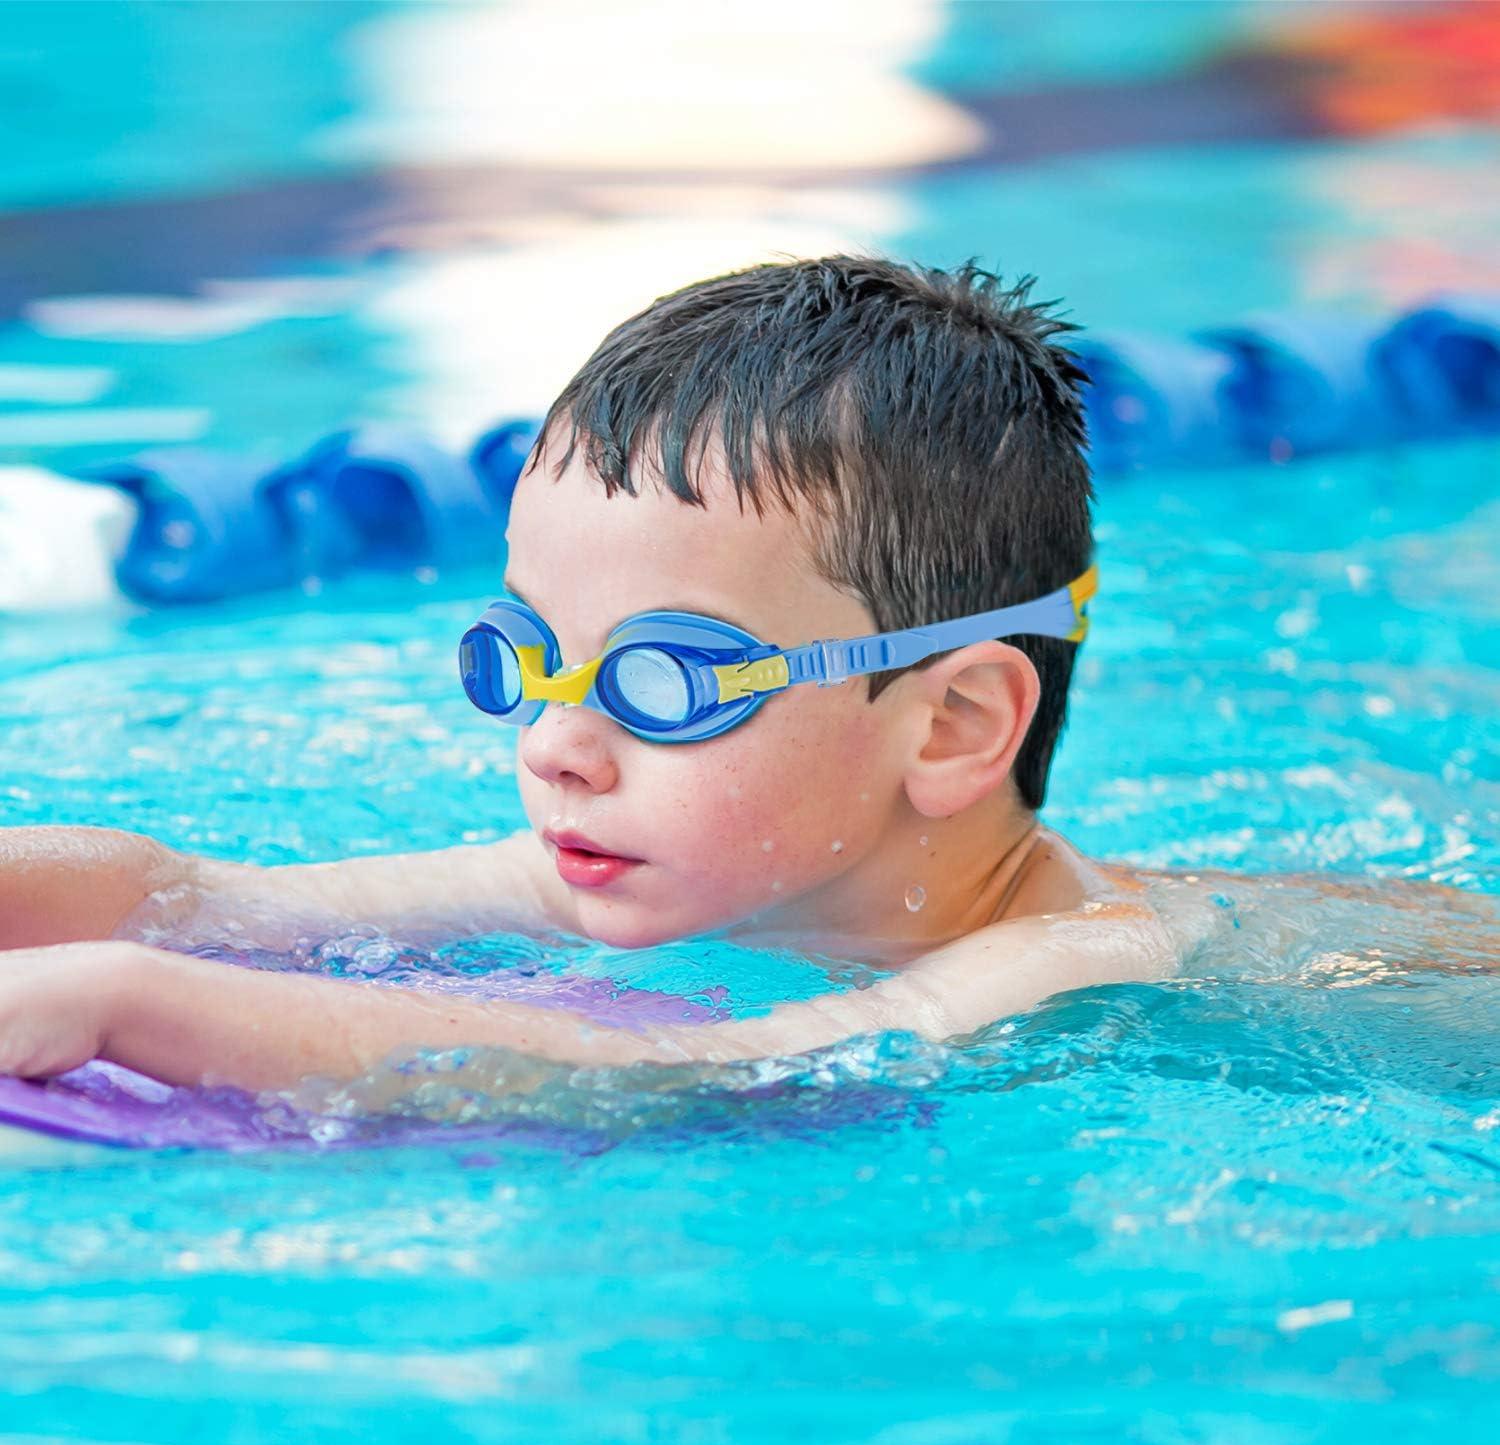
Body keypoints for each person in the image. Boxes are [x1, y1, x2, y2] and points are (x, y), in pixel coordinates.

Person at [0, 256, 1402, 1094]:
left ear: (954, 724)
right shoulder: (653, 857)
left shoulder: (1076, 959)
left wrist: (125, 1005)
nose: (557, 744)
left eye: (664, 682)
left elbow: (696, 1077)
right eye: (527, 660)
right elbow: (208, 897)